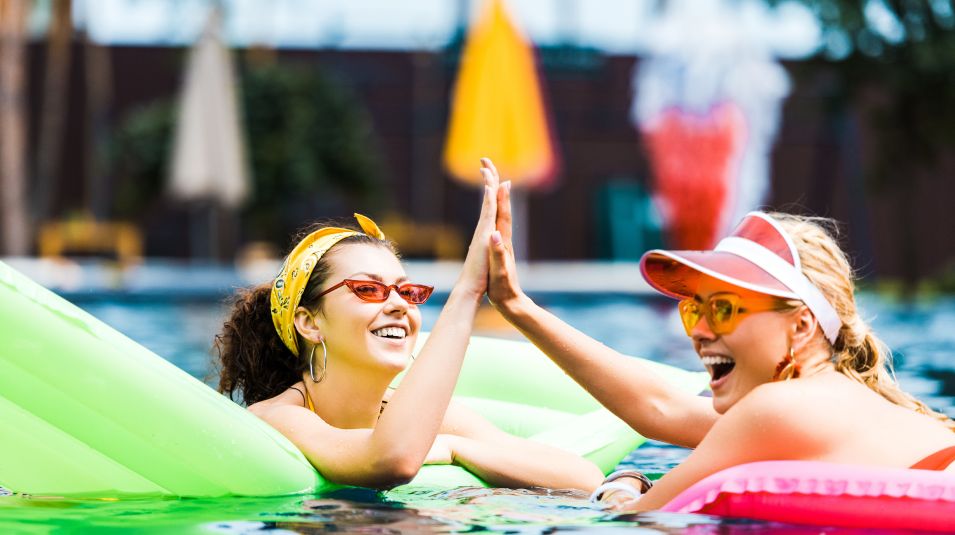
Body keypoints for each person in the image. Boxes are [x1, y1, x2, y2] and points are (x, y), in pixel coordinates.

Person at [482, 160, 955, 510]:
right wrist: (517, 306)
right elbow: (660, 409)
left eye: (725, 309)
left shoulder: (777, 409)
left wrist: (623, 484)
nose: (701, 332)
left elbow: (634, 520)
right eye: (696, 311)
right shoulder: (846, 405)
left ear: (801, 325)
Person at [215, 160, 603, 491]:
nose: (399, 305)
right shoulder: (278, 418)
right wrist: (467, 291)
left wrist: (456, 447)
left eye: (407, 292)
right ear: (309, 322)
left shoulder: (414, 412)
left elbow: (584, 478)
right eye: (368, 289)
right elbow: (389, 460)